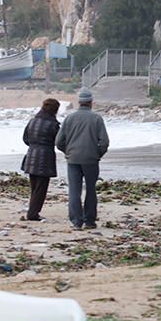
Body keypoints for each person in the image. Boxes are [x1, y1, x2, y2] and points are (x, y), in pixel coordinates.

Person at [56, 89, 109, 230]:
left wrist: (68, 152)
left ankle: (76, 221)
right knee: (91, 190)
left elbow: (59, 141)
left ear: (79, 102)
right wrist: (97, 154)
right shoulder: (97, 118)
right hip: (91, 159)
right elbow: (104, 142)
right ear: (91, 103)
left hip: (73, 159)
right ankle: (90, 221)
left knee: (74, 190)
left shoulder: (69, 118)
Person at [20, 98, 61, 221]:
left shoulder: (32, 121)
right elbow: (58, 141)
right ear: (55, 110)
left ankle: (32, 211)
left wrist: (34, 146)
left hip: (31, 154)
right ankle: (33, 214)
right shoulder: (53, 124)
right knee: (41, 187)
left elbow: (25, 139)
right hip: (46, 156)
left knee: (34, 187)